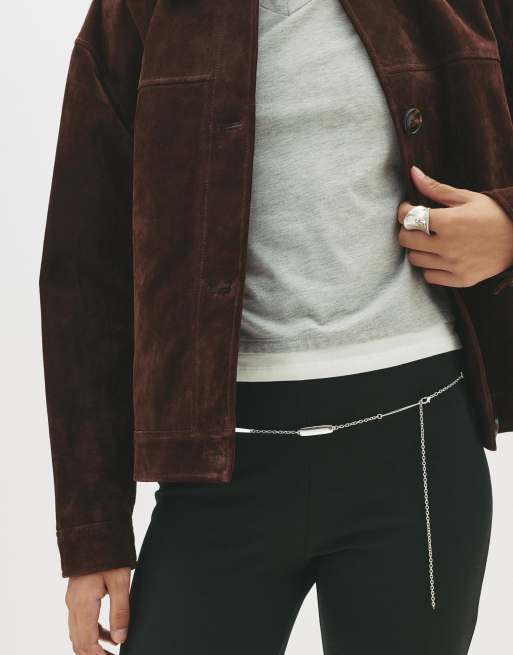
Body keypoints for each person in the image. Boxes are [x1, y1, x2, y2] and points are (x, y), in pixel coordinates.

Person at [39, 1, 513, 653]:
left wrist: (508, 229)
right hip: (219, 468)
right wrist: (93, 531)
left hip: (420, 453)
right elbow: (83, 269)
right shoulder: (138, 12)